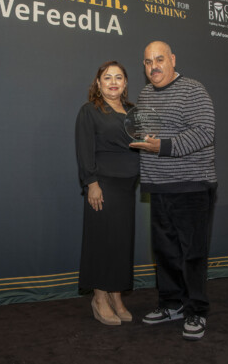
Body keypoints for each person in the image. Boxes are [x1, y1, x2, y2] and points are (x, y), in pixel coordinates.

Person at [129, 41, 217, 340]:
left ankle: (196, 311)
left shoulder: (193, 89)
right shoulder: (143, 94)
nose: (153, 66)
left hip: (191, 185)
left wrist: (163, 146)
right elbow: (145, 133)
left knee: (192, 254)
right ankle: (171, 304)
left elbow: (205, 132)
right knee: (165, 252)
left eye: (159, 59)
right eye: (147, 61)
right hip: (159, 186)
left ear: (172, 60)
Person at [75, 60, 140, 326]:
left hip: (127, 186)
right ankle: (99, 298)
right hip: (103, 185)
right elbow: (84, 149)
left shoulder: (134, 111)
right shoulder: (89, 111)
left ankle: (116, 296)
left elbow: (143, 144)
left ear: (125, 83)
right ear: (98, 83)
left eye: (119, 77)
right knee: (102, 242)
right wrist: (91, 183)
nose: (113, 82)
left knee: (121, 243)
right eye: (107, 77)